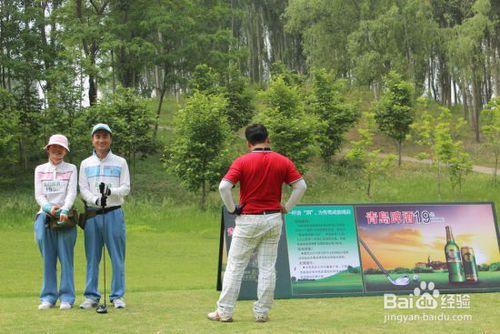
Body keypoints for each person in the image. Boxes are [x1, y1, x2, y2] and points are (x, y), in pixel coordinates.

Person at [208, 124, 307, 322]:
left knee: (235, 266)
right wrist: (287, 207)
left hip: (248, 219)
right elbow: (301, 186)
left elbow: (224, 187)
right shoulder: (283, 161)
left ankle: (225, 312)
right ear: (267, 139)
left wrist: (231, 209)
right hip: (272, 219)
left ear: (248, 143)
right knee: (267, 267)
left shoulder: (242, 161)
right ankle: (262, 312)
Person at [78, 123, 130, 309]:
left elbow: (125, 188)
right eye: (97, 136)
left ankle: (117, 296)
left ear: (110, 139)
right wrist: (95, 199)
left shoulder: (120, 162)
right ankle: (91, 296)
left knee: (117, 256)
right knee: (92, 257)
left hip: (114, 213)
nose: (101, 140)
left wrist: (110, 191)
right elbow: (83, 189)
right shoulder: (85, 163)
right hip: (93, 214)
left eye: (105, 136)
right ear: (92, 140)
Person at [34, 134, 78, 310]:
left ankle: (67, 297)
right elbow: (39, 195)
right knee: (48, 259)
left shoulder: (71, 168)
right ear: (48, 149)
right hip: (44, 217)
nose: (57, 150)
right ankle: (48, 297)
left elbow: (71, 193)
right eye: (54, 147)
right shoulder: (40, 169)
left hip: (65, 217)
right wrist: (47, 208)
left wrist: (65, 209)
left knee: (66, 258)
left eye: (61, 147)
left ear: (65, 151)